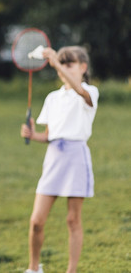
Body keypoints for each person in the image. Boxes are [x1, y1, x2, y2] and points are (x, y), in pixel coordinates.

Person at [20, 46, 99, 273]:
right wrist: (32, 135)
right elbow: (49, 135)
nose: (63, 67)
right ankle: (34, 268)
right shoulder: (53, 98)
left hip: (77, 158)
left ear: (83, 67)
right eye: (61, 64)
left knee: (73, 220)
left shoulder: (89, 92)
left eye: (69, 63)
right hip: (54, 158)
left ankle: (71, 271)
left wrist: (54, 61)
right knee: (36, 221)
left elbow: (78, 90)